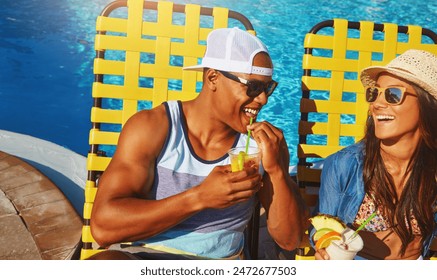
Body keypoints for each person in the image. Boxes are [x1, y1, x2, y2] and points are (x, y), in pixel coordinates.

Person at [88, 27, 309, 260]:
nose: (262, 99)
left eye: (267, 88)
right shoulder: (154, 128)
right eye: (253, 87)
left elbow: (290, 239)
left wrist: (276, 171)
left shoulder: (263, 146)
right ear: (213, 78)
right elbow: (103, 229)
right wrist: (199, 198)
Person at [313, 49, 437, 260]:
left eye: (393, 94)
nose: (377, 104)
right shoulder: (344, 165)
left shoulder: (432, 169)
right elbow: (322, 228)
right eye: (374, 93)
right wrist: (325, 249)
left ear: (426, 105)